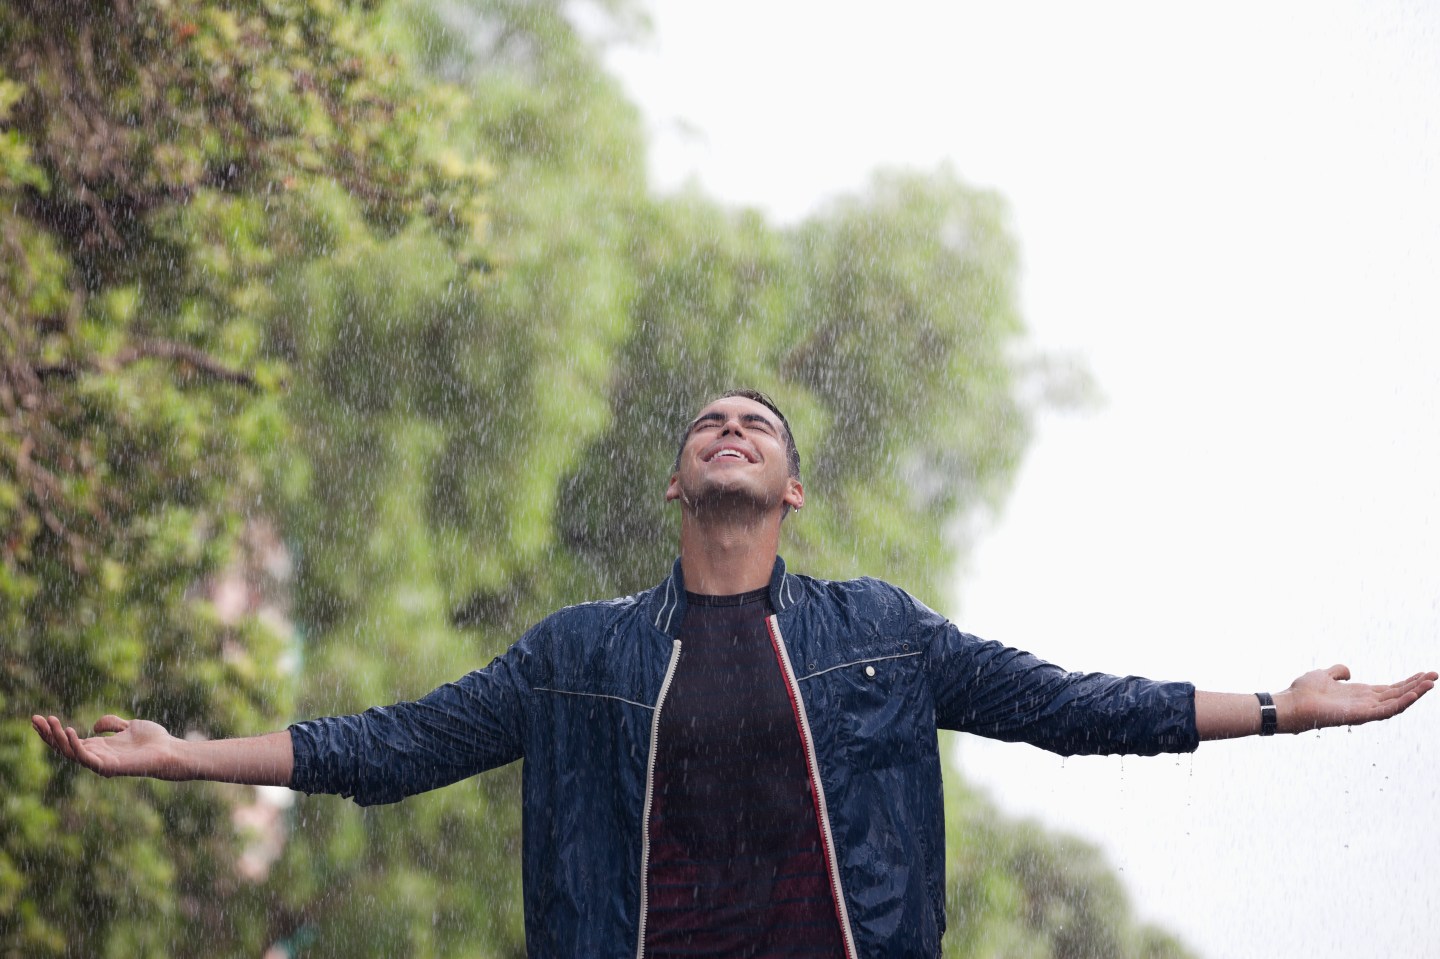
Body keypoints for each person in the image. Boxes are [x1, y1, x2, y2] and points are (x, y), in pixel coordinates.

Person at [32, 389, 1436, 959]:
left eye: (756, 424)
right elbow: (388, 748)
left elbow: (1071, 709)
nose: (729, 425)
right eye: (708, 421)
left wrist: (1282, 710)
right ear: (672, 481)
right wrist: (177, 755)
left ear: (794, 490)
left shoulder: (881, 634)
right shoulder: (580, 654)